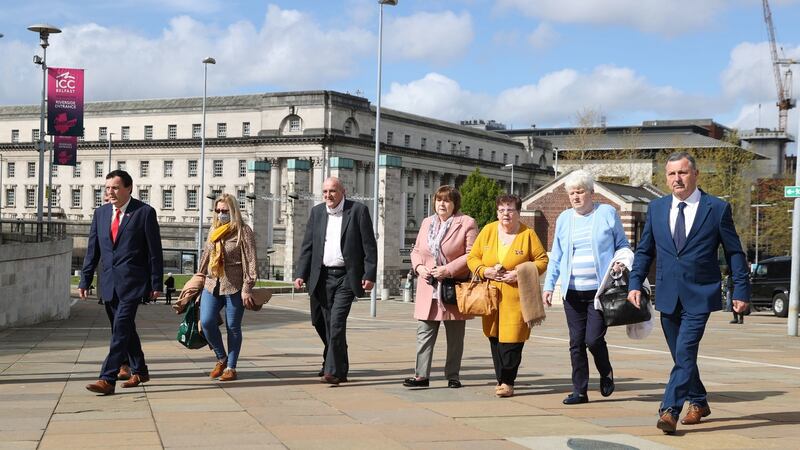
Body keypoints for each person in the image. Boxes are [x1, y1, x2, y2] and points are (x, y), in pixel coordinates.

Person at [627, 151, 750, 434]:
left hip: (701, 293)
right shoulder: (657, 209)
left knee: (684, 352)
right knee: (681, 356)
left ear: (695, 174)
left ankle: (669, 410)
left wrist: (740, 290)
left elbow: (734, 253)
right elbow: (645, 250)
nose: (677, 179)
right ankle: (699, 401)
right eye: (671, 174)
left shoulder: (716, 208)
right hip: (668, 293)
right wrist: (635, 283)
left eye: (682, 172)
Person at [542, 170, 629, 405]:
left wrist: (622, 260)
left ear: (591, 193)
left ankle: (605, 371)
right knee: (576, 342)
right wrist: (549, 286)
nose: (576, 197)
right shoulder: (564, 219)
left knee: (593, 340)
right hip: (572, 292)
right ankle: (579, 391)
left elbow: (622, 244)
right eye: (572, 193)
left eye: (580, 192)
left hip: (600, 292)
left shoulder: (607, 213)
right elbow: (557, 256)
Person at [79, 170, 163, 395]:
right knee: (124, 329)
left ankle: (107, 378)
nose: (110, 192)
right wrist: (85, 279)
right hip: (108, 282)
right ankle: (141, 370)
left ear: (129, 189)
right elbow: (93, 250)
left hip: (133, 283)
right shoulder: (101, 214)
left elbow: (155, 252)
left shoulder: (144, 213)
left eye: (115, 187)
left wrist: (156, 284)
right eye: (107, 188)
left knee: (120, 329)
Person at [294, 177, 377, 385]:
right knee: (320, 322)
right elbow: (308, 246)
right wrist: (300, 274)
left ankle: (331, 371)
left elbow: (369, 245)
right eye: (325, 192)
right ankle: (338, 364)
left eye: (332, 191)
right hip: (321, 277)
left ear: (343, 192)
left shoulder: (358, 211)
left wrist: (369, 274)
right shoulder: (317, 212)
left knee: (337, 323)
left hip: (346, 277)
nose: (328, 195)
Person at [467, 194, 548, 397]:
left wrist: (519, 272)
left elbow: (542, 260)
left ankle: (508, 382)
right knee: (494, 337)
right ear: (497, 212)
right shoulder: (488, 230)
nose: (506, 214)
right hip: (490, 295)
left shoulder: (527, 234)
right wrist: (485, 271)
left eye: (510, 210)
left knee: (512, 340)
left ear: (518, 213)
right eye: (502, 210)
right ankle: (501, 379)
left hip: (516, 297)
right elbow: (473, 257)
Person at [403, 185, 478, 389]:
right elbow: (417, 250)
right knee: (424, 333)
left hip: (453, 288)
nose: (442, 204)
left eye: (446, 200)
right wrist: (419, 267)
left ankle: (453, 375)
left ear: (455, 204)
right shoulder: (427, 223)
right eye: (438, 200)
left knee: (455, 338)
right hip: (429, 287)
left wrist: (448, 270)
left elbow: (472, 255)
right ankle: (421, 376)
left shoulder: (466, 223)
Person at [197, 193, 258, 382]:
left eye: (225, 211)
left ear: (233, 211)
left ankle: (231, 367)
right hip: (211, 283)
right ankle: (221, 357)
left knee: (233, 327)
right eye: (218, 210)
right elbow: (206, 256)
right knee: (206, 322)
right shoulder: (213, 230)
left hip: (234, 285)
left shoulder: (243, 231)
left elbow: (251, 261)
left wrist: (248, 287)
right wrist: (198, 280)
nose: (221, 214)